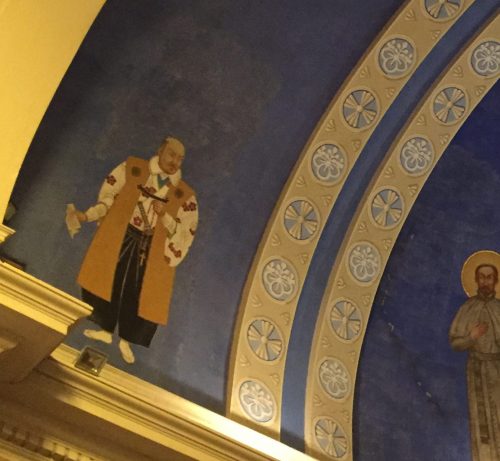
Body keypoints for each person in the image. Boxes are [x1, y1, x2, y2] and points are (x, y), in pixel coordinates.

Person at [70, 137, 198, 364]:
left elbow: (184, 232)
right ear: (160, 151)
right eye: (171, 155)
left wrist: (164, 216)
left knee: (139, 291)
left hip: (152, 247)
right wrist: (88, 215)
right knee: (111, 278)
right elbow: (108, 198)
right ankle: (105, 329)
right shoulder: (132, 169)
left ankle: (126, 339)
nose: (175, 162)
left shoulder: (185, 195)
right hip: (124, 235)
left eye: (180, 159)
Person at [449, 251, 500, 461]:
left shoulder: (499, 309)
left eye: (490, 277)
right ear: (476, 280)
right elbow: (455, 342)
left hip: (498, 370)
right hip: (477, 370)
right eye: (482, 277)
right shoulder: (467, 308)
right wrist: (471, 337)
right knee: (481, 423)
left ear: (496, 280)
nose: (485, 282)